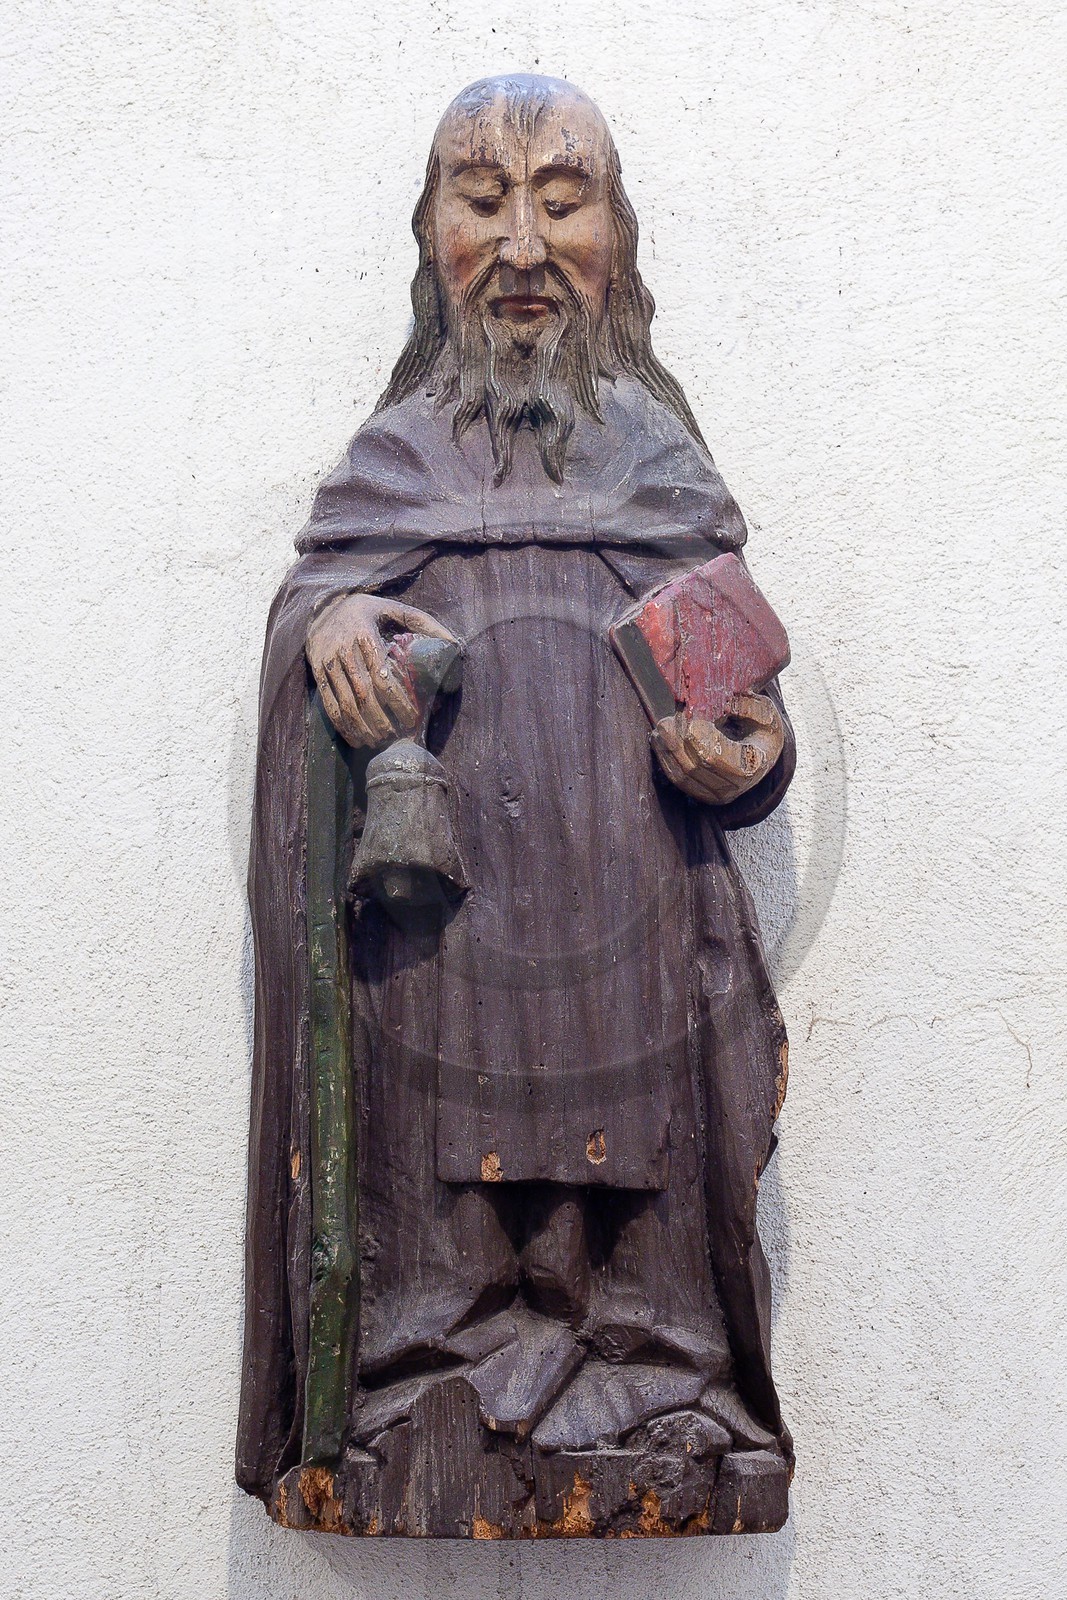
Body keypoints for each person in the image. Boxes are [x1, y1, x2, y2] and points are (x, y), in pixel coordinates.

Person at [238, 74, 796, 1537]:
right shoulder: (392, 463)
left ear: (618, 234)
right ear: (430, 235)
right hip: (445, 912)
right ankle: (432, 1372)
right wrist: (333, 633)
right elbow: (317, 612)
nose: (527, 244)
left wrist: (752, 756)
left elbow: (740, 688)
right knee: (445, 1129)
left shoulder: (660, 462)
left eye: (564, 198)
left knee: (641, 1131)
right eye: (484, 199)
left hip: (628, 892)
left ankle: (657, 1368)